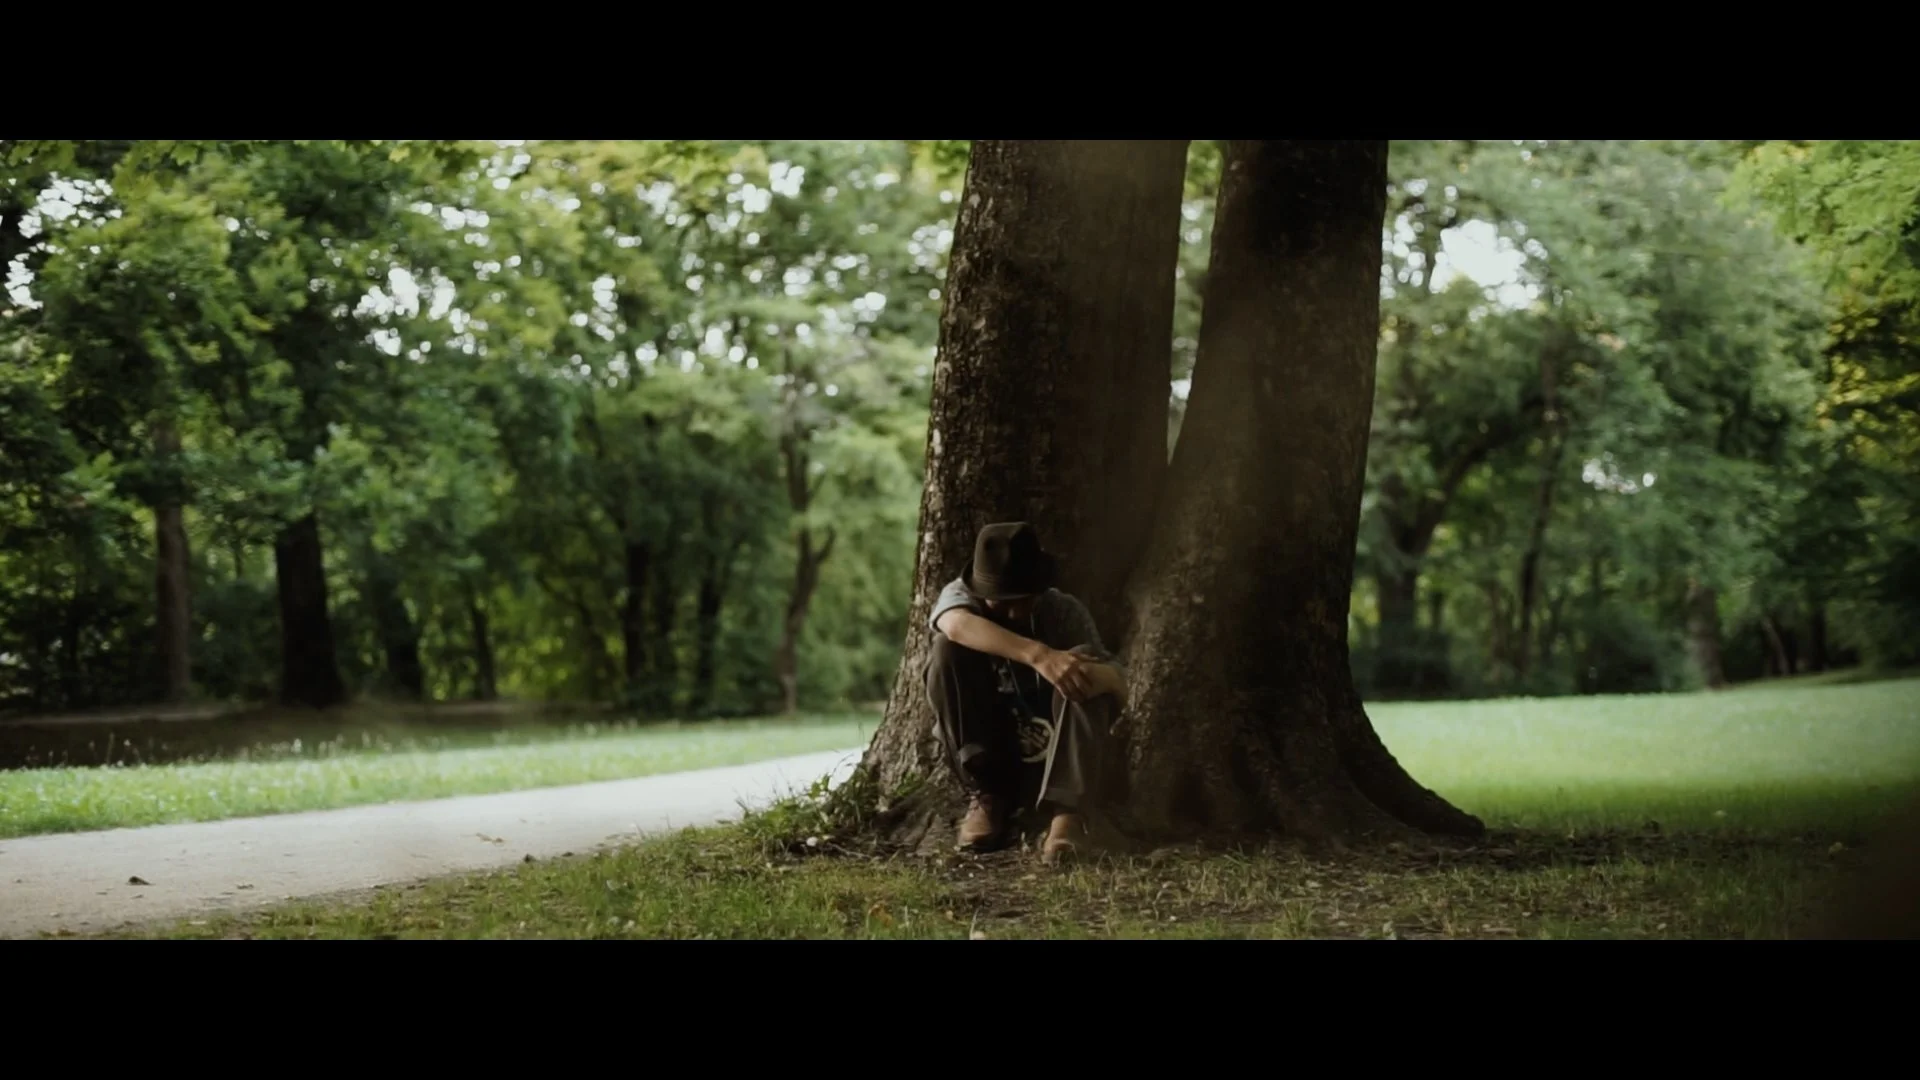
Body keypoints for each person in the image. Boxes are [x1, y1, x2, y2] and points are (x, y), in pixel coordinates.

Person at [923, 521, 1127, 863]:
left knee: (1084, 667)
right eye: (1003, 602)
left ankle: (1067, 813)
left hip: (1054, 759)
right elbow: (955, 626)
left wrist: (1083, 673)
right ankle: (988, 796)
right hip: (993, 751)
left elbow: (1119, 683)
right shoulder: (959, 599)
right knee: (945, 650)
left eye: (1025, 599)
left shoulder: (1062, 610)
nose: (1016, 612)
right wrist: (1040, 656)